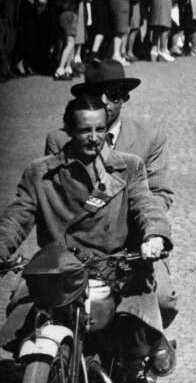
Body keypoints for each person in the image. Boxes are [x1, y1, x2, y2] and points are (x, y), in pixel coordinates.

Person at [0, 95, 173, 382]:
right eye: (84, 130)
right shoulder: (40, 172)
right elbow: (16, 217)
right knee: (22, 312)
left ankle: (139, 358)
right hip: (59, 270)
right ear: (69, 130)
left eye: (100, 130)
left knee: (134, 336)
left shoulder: (128, 167)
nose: (94, 138)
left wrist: (154, 236)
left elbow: (146, 205)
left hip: (114, 267)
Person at [43, 59, 178, 329]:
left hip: (129, 245)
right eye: (96, 94)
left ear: (124, 99)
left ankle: (137, 362)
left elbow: (159, 194)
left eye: (114, 95)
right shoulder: (60, 140)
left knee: (163, 300)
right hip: (75, 245)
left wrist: (148, 232)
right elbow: (49, 194)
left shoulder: (149, 136)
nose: (105, 102)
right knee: (30, 305)